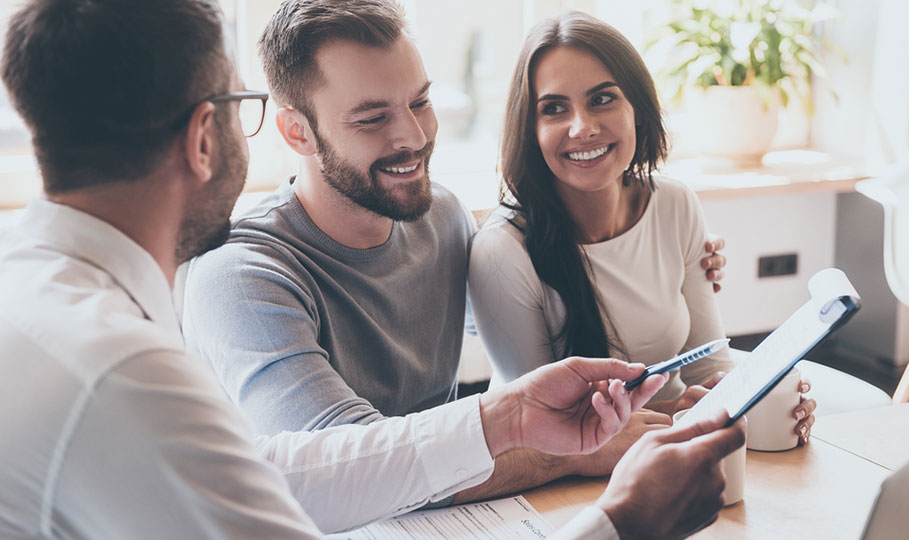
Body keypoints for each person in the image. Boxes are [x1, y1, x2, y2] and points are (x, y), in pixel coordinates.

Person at [0, 0, 747, 538]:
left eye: (420, 103)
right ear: (207, 134)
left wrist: (509, 417)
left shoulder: (43, 304)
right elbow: (306, 483)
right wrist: (621, 523)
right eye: (241, 106)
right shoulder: (129, 372)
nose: (413, 135)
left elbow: (295, 471)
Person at [181, 0, 729, 503]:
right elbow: (351, 468)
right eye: (372, 118)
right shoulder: (242, 277)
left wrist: (674, 262)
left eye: (421, 101)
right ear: (296, 132)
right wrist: (568, 451)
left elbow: (514, 302)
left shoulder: (439, 217)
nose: (415, 136)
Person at [468, 12, 816, 441]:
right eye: (554, 109)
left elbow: (709, 365)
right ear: (530, 129)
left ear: (637, 108)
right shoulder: (502, 251)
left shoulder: (674, 204)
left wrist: (758, 399)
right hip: (556, 476)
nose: (583, 127)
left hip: (672, 447)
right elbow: (546, 429)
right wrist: (679, 413)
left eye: (602, 99)